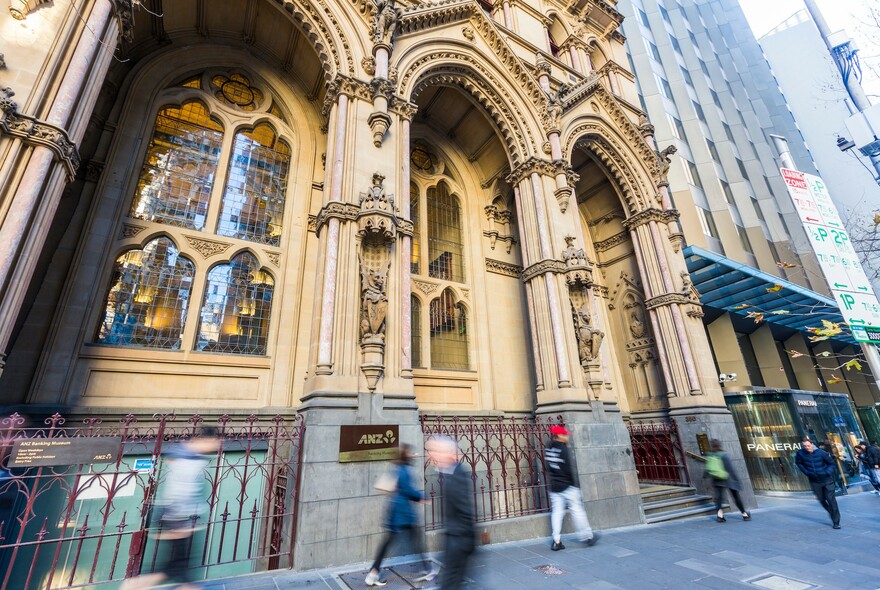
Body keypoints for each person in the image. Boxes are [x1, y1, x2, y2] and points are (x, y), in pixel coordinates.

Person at [122, 427, 221, 590]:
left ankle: (136, 585)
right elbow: (180, 491)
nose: (217, 445)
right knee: (175, 567)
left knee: (177, 567)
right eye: (215, 441)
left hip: (178, 518)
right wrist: (180, 522)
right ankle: (133, 585)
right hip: (177, 519)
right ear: (205, 440)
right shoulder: (188, 459)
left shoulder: (188, 455)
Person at [365, 444, 437, 587]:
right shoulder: (404, 470)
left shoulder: (396, 468)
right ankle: (428, 569)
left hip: (395, 513)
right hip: (403, 513)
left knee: (387, 544)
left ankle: (372, 574)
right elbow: (408, 490)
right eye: (410, 452)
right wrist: (422, 497)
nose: (412, 454)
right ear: (406, 455)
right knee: (416, 542)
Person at [425, 436, 475, 590]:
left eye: (433, 451)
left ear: (444, 453)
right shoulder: (449, 473)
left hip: (459, 540)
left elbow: (465, 510)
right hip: (453, 539)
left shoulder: (457, 474)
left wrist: (465, 541)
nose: (429, 455)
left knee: (450, 583)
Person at [544, 425, 597, 551]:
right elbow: (568, 469)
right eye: (565, 435)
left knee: (557, 513)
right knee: (577, 511)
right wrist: (574, 485)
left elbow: (548, 467)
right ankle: (587, 536)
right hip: (567, 485)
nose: (567, 437)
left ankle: (556, 541)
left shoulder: (549, 448)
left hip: (555, 485)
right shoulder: (563, 449)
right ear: (559, 436)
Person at [795, 437, 840, 529]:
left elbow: (831, 464)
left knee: (830, 499)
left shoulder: (821, 453)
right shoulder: (800, 453)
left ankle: (836, 522)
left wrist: (827, 472)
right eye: (804, 446)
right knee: (821, 499)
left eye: (808, 445)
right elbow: (799, 463)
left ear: (812, 444)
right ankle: (832, 512)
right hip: (814, 481)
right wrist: (807, 472)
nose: (807, 447)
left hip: (827, 480)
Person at [705, 439, 750, 522]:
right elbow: (730, 469)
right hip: (727, 479)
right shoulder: (724, 455)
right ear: (719, 445)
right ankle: (744, 514)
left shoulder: (710, 455)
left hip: (716, 479)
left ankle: (720, 516)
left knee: (719, 498)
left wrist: (705, 475)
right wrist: (736, 480)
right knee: (736, 497)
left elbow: (707, 467)